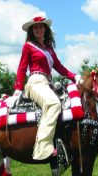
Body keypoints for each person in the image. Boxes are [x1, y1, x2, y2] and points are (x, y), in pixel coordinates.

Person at [6, 11, 83, 161]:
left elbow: (59, 67)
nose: (38, 30)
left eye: (41, 27)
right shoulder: (28, 46)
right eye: (35, 28)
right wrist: (17, 90)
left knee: (65, 106)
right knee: (54, 104)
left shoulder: (49, 48)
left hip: (48, 83)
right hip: (35, 82)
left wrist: (75, 76)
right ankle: (42, 149)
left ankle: (62, 143)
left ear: (45, 29)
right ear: (32, 31)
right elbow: (22, 68)